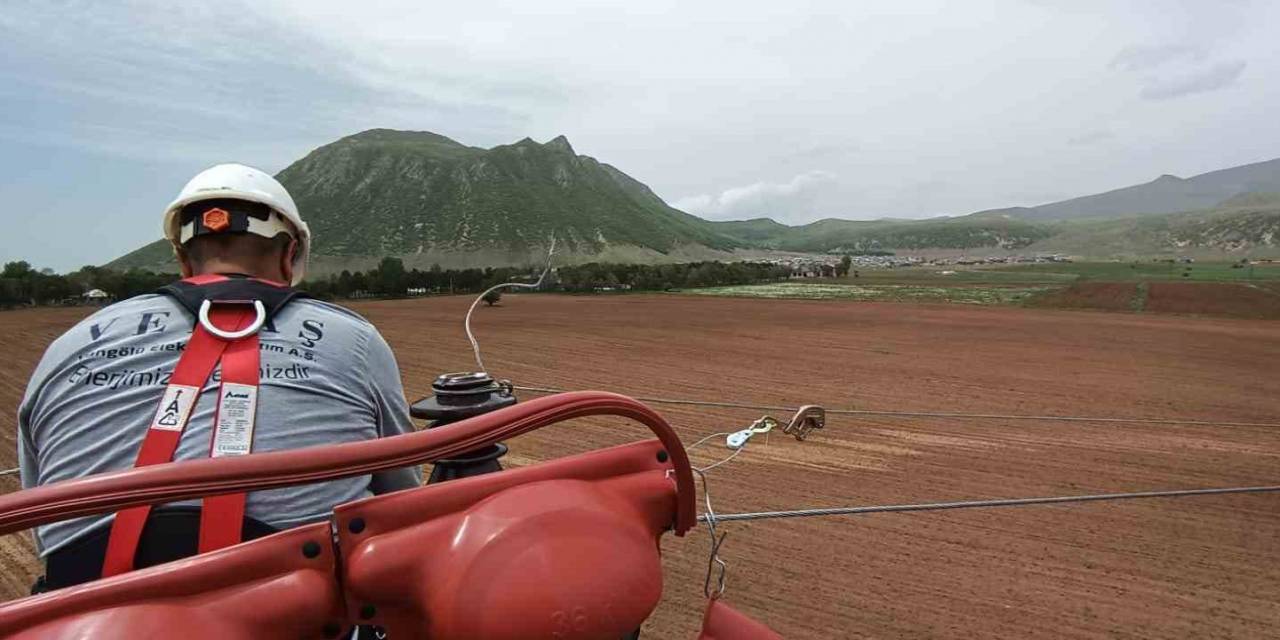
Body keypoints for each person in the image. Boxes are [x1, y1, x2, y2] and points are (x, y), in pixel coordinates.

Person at [17, 163, 421, 589]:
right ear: (289, 256)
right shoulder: (353, 339)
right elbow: (400, 499)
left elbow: (43, 509)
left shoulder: (68, 346)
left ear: (181, 258)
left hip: (86, 615)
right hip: (293, 610)